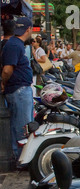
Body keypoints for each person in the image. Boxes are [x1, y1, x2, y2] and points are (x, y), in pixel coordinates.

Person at [1, 17, 34, 161]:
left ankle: (20, 157)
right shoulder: (15, 45)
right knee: (23, 129)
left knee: (20, 126)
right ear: (29, 29)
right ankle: (22, 159)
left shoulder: (15, 44)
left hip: (19, 90)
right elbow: (7, 70)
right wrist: (3, 82)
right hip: (19, 91)